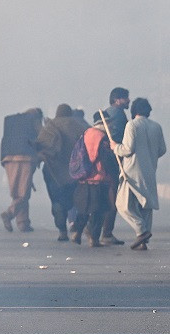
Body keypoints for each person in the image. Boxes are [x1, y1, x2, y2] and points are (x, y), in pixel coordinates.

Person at [111, 97, 166, 250]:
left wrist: (115, 147)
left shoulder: (132, 125)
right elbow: (162, 150)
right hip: (149, 169)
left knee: (122, 204)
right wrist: (149, 155)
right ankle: (143, 241)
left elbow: (127, 149)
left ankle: (141, 230)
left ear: (134, 111)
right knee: (146, 205)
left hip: (132, 171)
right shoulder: (157, 126)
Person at [36, 104, 89, 241]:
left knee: (57, 200)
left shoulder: (49, 126)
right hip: (75, 171)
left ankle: (62, 230)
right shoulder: (78, 125)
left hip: (53, 171)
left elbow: (40, 146)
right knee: (77, 199)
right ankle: (78, 226)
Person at [70, 111, 120, 247]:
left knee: (84, 209)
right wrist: (115, 172)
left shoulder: (86, 134)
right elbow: (106, 160)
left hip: (85, 178)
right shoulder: (103, 138)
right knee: (100, 211)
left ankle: (77, 232)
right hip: (100, 179)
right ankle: (94, 238)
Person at [0, 108, 43, 233]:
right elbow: (42, 136)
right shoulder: (34, 119)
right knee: (24, 192)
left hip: (8, 158)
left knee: (17, 192)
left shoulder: (11, 120)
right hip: (25, 157)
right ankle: (9, 213)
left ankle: (23, 222)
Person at [98, 87, 132, 245]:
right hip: (112, 160)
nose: (128, 101)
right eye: (126, 98)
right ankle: (107, 233)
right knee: (112, 197)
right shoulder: (118, 114)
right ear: (117, 100)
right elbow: (117, 138)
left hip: (103, 162)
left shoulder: (108, 112)